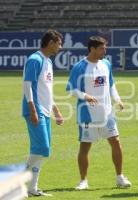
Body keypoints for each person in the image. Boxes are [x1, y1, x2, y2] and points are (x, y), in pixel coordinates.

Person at [66, 36, 131, 190]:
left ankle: (120, 177)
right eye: (101, 48)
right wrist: (85, 96)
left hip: (107, 114)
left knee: (116, 142)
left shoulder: (106, 64)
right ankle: (83, 181)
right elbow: (71, 89)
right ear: (92, 49)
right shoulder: (80, 67)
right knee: (85, 147)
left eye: (105, 48)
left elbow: (111, 85)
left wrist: (118, 99)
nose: (105, 51)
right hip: (87, 116)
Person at [22, 29, 64, 197]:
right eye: (59, 43)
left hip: (45, 111)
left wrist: (56, 110)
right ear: (51, 43)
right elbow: (27, 85)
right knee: (43, 148)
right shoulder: (35, 59)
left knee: (40, 151)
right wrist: (32, 109)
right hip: (35, 110)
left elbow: (47, 90)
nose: (60, 47)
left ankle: (32, 188)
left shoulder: (48, 62)